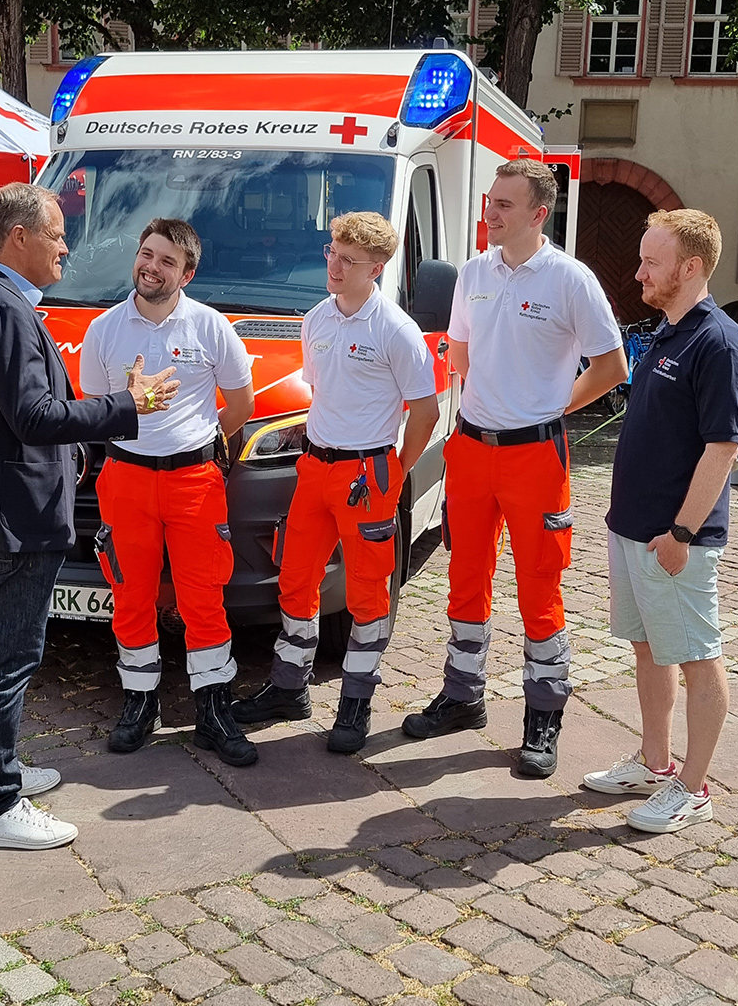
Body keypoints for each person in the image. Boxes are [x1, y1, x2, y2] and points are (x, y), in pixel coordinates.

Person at [0, 183, 178, 850]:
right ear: (19, 238)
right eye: (58, 232)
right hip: (13, 514)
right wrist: (127, 404)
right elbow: (34, 418)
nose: (68, 245)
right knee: (6, 657)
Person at [402, 159, 627, 777]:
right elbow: (463, 353)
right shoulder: (474, 271)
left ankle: (543, 715)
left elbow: (611, 368)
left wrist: (550, 408)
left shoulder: (570, 279)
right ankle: (462, 694)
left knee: (539, 582)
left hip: (535, 456)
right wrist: (486, 411)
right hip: (472, 450)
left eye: (503, 204)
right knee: (465, 573)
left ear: (538, 214)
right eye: (489, 201)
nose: (490, 213)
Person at [232, 212, 439, 753]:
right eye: (331, 253)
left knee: (368, 596)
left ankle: (356, 701)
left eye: (348, 260)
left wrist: (395, 469)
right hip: (315, 467)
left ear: (378, 267)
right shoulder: (318, 319)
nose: (335, 266)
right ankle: (288, 686)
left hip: (366, 473)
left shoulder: (396, 329)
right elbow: (323, 391)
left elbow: (425, 412)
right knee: (295, 580)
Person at [584, 209, 738, 833]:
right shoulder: (667, 330)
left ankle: (693, 785)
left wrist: (682, 533)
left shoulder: (719, 343)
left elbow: (722, 449)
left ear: (690, 267)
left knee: (697, 657)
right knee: (648, 647)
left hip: (673, 540)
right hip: (632, 529)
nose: (638, 273)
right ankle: (655, 761)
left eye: (651, 263)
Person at [80, 218, 258, 766]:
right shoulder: (104, 330)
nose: (150, 267)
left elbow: (241, 404)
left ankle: (212, 708)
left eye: (165, 261)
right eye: (146, 254)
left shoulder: (210, 327)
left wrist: (199, 443)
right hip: (126, 479)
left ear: (187, 273)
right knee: (130, 594)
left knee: (202, 597)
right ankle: (140, 702)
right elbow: (92, 409)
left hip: (194, 482)